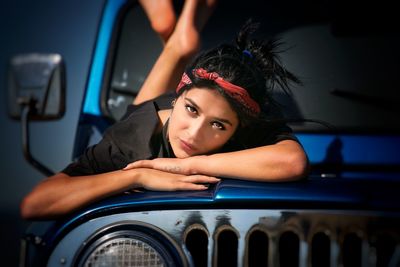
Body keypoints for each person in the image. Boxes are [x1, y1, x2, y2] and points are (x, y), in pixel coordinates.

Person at [20, 0, 308, 220]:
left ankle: (176, 38)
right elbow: (35, 203)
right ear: (177, 97)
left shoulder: (248, 117)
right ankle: (177, 40)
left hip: (164, 115)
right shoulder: (129, 143)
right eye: (191, 110)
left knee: (174, 46)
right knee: (143, 107)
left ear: (238, 128)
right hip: (148, 120)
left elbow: (293, 163)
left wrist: (187, 165)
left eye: (218, 125)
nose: (194, 134)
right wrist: (136, 176)